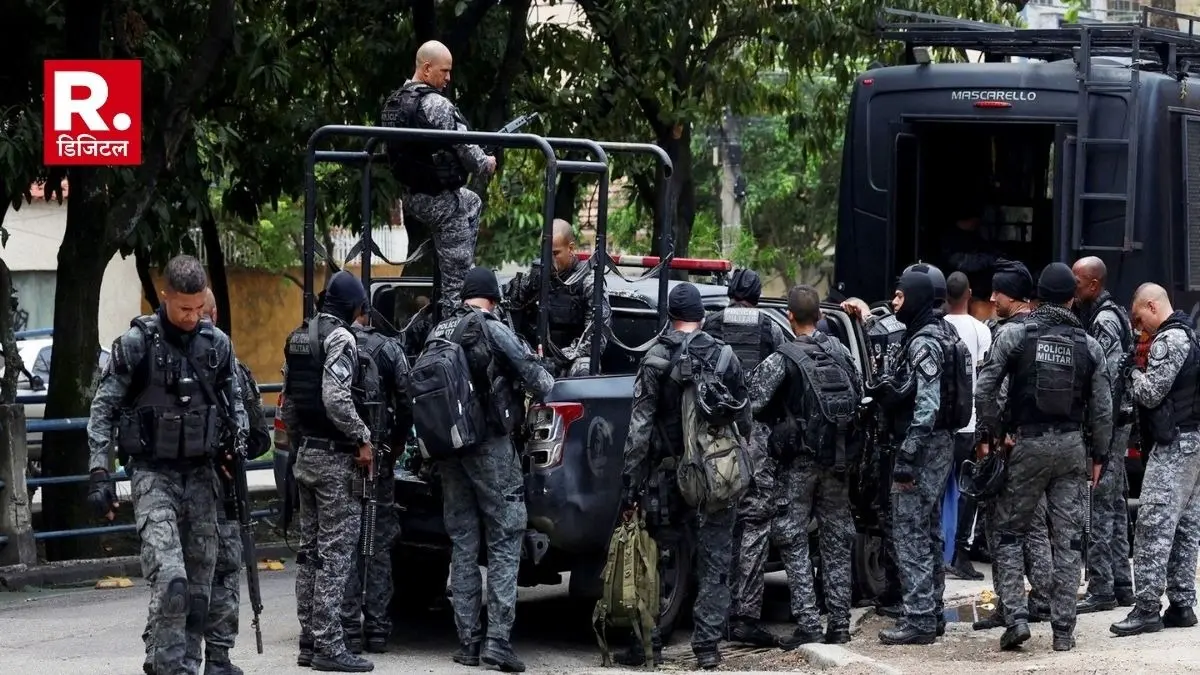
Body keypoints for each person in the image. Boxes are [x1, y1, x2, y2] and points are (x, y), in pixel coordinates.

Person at [86, 255, 248, 675]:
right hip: (153, 475)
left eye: (198, 308)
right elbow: (103, 409)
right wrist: (100, 472)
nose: (192, 317)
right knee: (172, 580)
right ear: (165, 297)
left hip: (202, 476)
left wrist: (236, 446)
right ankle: (166, 666)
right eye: (183, 309)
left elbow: (236, 405)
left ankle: (185, 665)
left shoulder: (217, 346)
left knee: (198, 589)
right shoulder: (136, 344)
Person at [975, 262, 1112, 652]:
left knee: (1009, 533)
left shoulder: (1016, 335)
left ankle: (1016, 618)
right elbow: (1103, 408)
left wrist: (997, 432)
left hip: (1027, 446)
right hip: (1071, 448)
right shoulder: (1089, 345)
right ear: (1071, 299)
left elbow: (984, 391)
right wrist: (1099, 454)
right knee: (1068, 542)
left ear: (1036, 297)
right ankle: (1063, 631)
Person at [425, 266, 554, 672]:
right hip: (489, 446)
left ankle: (468, 642)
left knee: (463, 542)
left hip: (449, 450)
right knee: (506, 536)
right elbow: (542, 382)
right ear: (494, 300)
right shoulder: (492, 328)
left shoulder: (438, 331)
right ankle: (498, 641)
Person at [138, 289, 271, 675]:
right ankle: (191, 657)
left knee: (194, 579)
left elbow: (254, 436)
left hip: (212, 491)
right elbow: (257, 437)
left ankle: (194, 657)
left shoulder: (228, 367)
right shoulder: (223, 367)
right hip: (204, 492)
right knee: (196, 579)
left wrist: (229, 448)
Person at [618, 283, 750, 669]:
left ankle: (648, 644)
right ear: (702, 317)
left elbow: (639, 429)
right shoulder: (725, 356)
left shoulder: (655, 358)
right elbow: (744, 418)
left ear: (670, 317)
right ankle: (707, 647)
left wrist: (630, 483)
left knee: (657, 559)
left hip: (667, 477)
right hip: (716, 475)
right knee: (716, 559)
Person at [747, 284, 863, 648]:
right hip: (838, 460)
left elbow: (753, 401)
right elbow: (860, 392)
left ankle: (809, 623)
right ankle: (840, 624)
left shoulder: (783, 357)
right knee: (837, 538)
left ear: (790, 317)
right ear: (822, 316)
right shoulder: (841, 351)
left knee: (791, 537)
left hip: (798, 463)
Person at [282, 270, 377, 672]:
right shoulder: (341, 339)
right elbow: (336, 398)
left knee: (309, 552)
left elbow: (288, 403)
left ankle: (309, 639)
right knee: (335, 554)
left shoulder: (298, 337)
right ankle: (329, 645)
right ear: (355, 306)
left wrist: (302, 444)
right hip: (337, 460)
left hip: (307, 455)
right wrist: (362, 438)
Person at [873, 263, 966, 646]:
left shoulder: (924, 341)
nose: (895, 302)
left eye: (900, 295)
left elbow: (927, 405)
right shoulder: (943, 332)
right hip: (940, 444)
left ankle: (919, 618)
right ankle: (932, 610)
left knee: (909, 530)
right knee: (928, 530)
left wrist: (908, 455)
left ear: (915, 297)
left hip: (923, 446)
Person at [381, 40, 497, 321]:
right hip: (438, 200)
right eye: (444, 71)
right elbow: (467, 149)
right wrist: (486, 163)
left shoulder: (394, 103)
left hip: (411, 197)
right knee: (457, 285)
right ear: (426, 68)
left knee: (472, 201)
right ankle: (453, 330)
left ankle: (458, 259)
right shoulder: (435, 104)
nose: (448, 78)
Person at [1111, 283, 1200, 637]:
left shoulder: (1168, 340)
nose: (1138, 327)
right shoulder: (1190, 335)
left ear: (1152, 306)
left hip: (1174, 445)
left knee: (1153, 524)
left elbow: (1150, 394)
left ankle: (1147, 608)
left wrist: (1132, 371)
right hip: (1191, 442)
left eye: (1138, 318)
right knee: (1185, 528)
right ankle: (1182, 604)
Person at [971, 259, 1054, 631]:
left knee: (1001, 528)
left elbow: (993, 393)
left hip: (1007, 446)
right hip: (1039, 442)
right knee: (1035, 525)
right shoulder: (1044, 330)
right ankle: (1043, 600)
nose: (991, 299)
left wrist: (987, 438)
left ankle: (1010, 607)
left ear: (1014, 297)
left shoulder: (1007, 335)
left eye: (998, 293)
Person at [711, 268, 792, 648]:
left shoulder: (711, 324)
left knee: (717, 522)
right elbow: (788, 374)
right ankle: (744, 616)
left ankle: (714, 614)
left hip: (713, 440)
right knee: (755, 525)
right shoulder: (771, 328)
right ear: (758, 296)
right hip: (756, 440)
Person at [340, 314, 413, 654]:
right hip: (379, 458)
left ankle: (349, 628)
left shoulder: (330, 344)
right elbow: (407, 402)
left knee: (346, 542)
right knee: (378, 541)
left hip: (341, 458)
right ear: (366, 314)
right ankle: (378, 627)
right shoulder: (388, 348)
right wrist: (396, 444)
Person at [1072, 256, 1136, 613]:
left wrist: (1099, 434)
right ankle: (1121, 583)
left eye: (1078, 282)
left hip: (1109, 424)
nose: (1074, 288)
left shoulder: (1104, 320)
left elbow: (1106, 382)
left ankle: (1101, 587)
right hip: (1116, 423)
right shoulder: (1112, 314)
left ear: (1093, 284)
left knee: (1099, 505)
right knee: (1114, 504)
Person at [503, 219, 611, 377]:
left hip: (570, 360)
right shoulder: (535, 277)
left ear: (571, 248)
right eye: (545, 254)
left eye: (555, 253)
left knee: (584, 368)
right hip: (535, 357)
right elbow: (507, 305)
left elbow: (596, 339)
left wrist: (558, 359)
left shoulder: (589, 281)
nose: (549, 260)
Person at [942, 272, 991, 581]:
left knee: (936, 490)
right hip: (969, 423)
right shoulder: (980, 330)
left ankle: (936, 554)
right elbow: (985, 382)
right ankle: (960, 553)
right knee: (967, 491)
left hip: (939, 425)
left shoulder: (935, 327)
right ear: (969, 294)